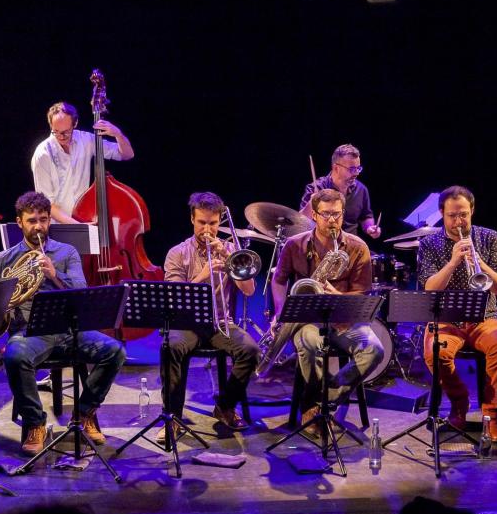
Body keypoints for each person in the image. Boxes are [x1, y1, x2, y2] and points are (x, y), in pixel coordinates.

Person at [0, 191, 126, 455]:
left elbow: (81, 291)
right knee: (14, 357)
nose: (38, 227)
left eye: (43, 220)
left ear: (50, 220)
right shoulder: (2, 261)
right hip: (29, 332)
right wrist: (4, 303)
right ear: (19, 222)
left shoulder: (66, 252)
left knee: (115, 350)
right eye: (31, 221)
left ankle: (84, 413)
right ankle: (34, 422)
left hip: (69, 329)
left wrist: (54, 274)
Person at [272, 188, 385, 430]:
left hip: (345, 319)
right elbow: (278, 280)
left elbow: (362, 293)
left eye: (337, 214)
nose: (332, 220)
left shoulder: (358, 247)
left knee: (374, 350)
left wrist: (339, 297)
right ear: (314, 215)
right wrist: (281, 310)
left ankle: (322, 401)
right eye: (326, 214)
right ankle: (315, 405)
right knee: (310, 345)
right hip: (307, 320)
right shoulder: (294, 244)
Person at [416, 185, 497, 441]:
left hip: (485, 317)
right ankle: (459, 402)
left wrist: (480, 262)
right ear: (441, 214)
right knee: (435, 353)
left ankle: (492, 414)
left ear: (472, 211)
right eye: (452, 216)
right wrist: (453, 262)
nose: (459, 221)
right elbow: (429, 288)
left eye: (464, 215)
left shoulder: (489, 237)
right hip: (446, 319)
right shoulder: (429, 243)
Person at [162, 192, 258, 440]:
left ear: (219, 222)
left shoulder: (230, 250)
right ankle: (172, 417)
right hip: (187, 324)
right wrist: (202, 275)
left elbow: (249, 290)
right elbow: (173, 298)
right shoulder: (177, 253)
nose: (207, 229)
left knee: (250, 350)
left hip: (220, 323)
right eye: (202, 222)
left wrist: (228, 258)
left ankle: (225, 406)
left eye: (213, 223)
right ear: (192, 219)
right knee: (171, 347)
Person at [30, 101, 134, 224]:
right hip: (57, 227)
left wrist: (118, 134)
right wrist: (78, 226)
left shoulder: (86, 140)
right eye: (56, 131)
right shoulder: (42, 154)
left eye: (66, 132)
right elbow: (46, 203)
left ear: (75, 123)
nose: (61, 136)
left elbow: (127, 154)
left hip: (83, 220)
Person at [299, 144, 381, 238]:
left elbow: (366, 216)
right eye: (352, 169)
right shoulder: (316, 188)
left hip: (351, 244)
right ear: (336, 168)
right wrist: (311, 203)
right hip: (323, 244)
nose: (356, 173)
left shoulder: (361, 189)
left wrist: (369, 227)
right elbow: (300, 222)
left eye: (358, 168)